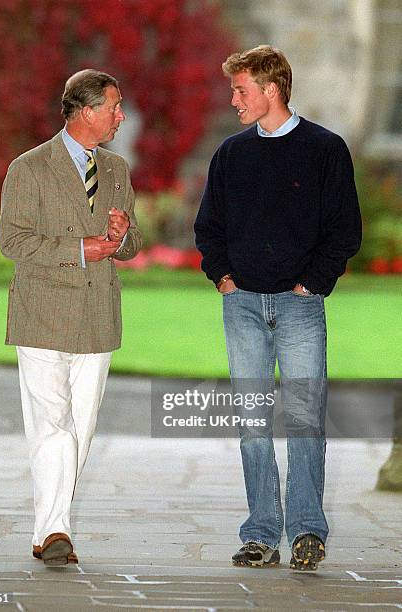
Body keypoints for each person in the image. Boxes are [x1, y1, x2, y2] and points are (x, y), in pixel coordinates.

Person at [195, 46, 361, 571]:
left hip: (299, 308)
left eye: (241, 89)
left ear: (272, 90)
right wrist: (222, 276)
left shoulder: (325, 150)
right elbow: (208, 227)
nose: (233, 98)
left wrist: (311, 285)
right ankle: (262, 532)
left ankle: (308, 530)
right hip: (241, 304)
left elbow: (344, 231)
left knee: (306, 419)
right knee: (251, 424)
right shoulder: (230, 154)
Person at [0, 69, 142, 565]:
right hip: (41, 312)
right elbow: (11, 241)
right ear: (86, 111)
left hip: (98, 315)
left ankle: (47, 529)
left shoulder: (118, 170)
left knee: (79, 427)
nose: (121, 115)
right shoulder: (29, 168)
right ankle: (56, 530)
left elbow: (132, 243)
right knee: (52, 424)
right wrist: (79, 248)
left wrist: (122, 236)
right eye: (114, 107)